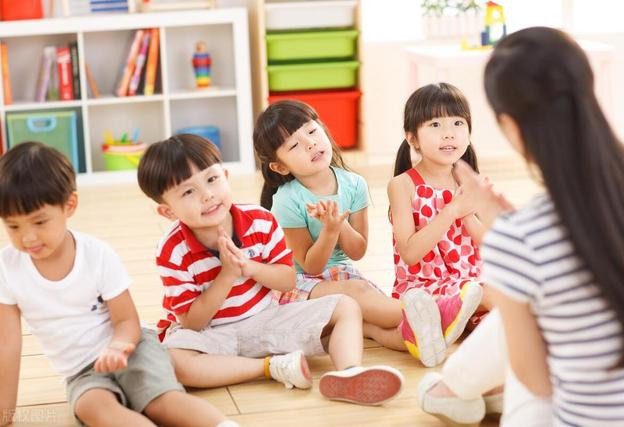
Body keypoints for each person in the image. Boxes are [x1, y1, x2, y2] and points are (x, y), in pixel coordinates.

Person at [420, 27, 624, 426]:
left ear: (511, 126)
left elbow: (537, 381)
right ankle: (453, 391)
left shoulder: (521, 237)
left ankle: (448, 391)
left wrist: (510, 238)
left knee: (525, 315)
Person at [136, 134, 404, 405]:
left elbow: (287, 281)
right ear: (168, 212)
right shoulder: (172, 249)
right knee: (175, 361)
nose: (207, 195)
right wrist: (226, 276)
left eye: (212, 179)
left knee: (346, 306)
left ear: (225, 176)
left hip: (268, 320)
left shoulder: (260, 221)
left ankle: (349, 373)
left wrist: (249, 268)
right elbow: (192, 322)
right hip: (212, 334)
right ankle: (272, 367)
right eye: (188, 192)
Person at [0, 142, 235, 427]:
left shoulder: (96, 254)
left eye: (39, 222)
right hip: (81, 372)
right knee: (96, 410)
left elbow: (126, 320)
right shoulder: (7, 267)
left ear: (69, 206)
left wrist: (119, 346)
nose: (28, 237)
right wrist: (5, 412)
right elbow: (7, 344)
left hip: (133, 348)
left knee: (160, 401)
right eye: (13, 226)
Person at [253, 100, 450, 367]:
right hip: (299, 286)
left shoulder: (354, 184)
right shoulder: (287, 201)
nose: (310, 143)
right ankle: (441, 312)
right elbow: (310, 267)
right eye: (294, 145)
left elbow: (357, 251)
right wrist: (330, 230)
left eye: (311, 131)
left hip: (341, 274)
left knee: (370, 321)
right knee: (358, 292)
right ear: (280, 167)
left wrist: (340, 225)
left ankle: (425, 341)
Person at [387, 83, 487, 348]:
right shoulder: (403, 185)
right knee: (497, 297)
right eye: (435, 125)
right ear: (412, 139)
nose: (449, 134)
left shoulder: (469, 180)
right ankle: (445, 316)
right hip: (425, 288)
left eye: (457, 123)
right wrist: (452, 210)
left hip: (472, 281)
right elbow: (410, 253)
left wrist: (468, 214)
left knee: (513, 305)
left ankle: (460, 321)